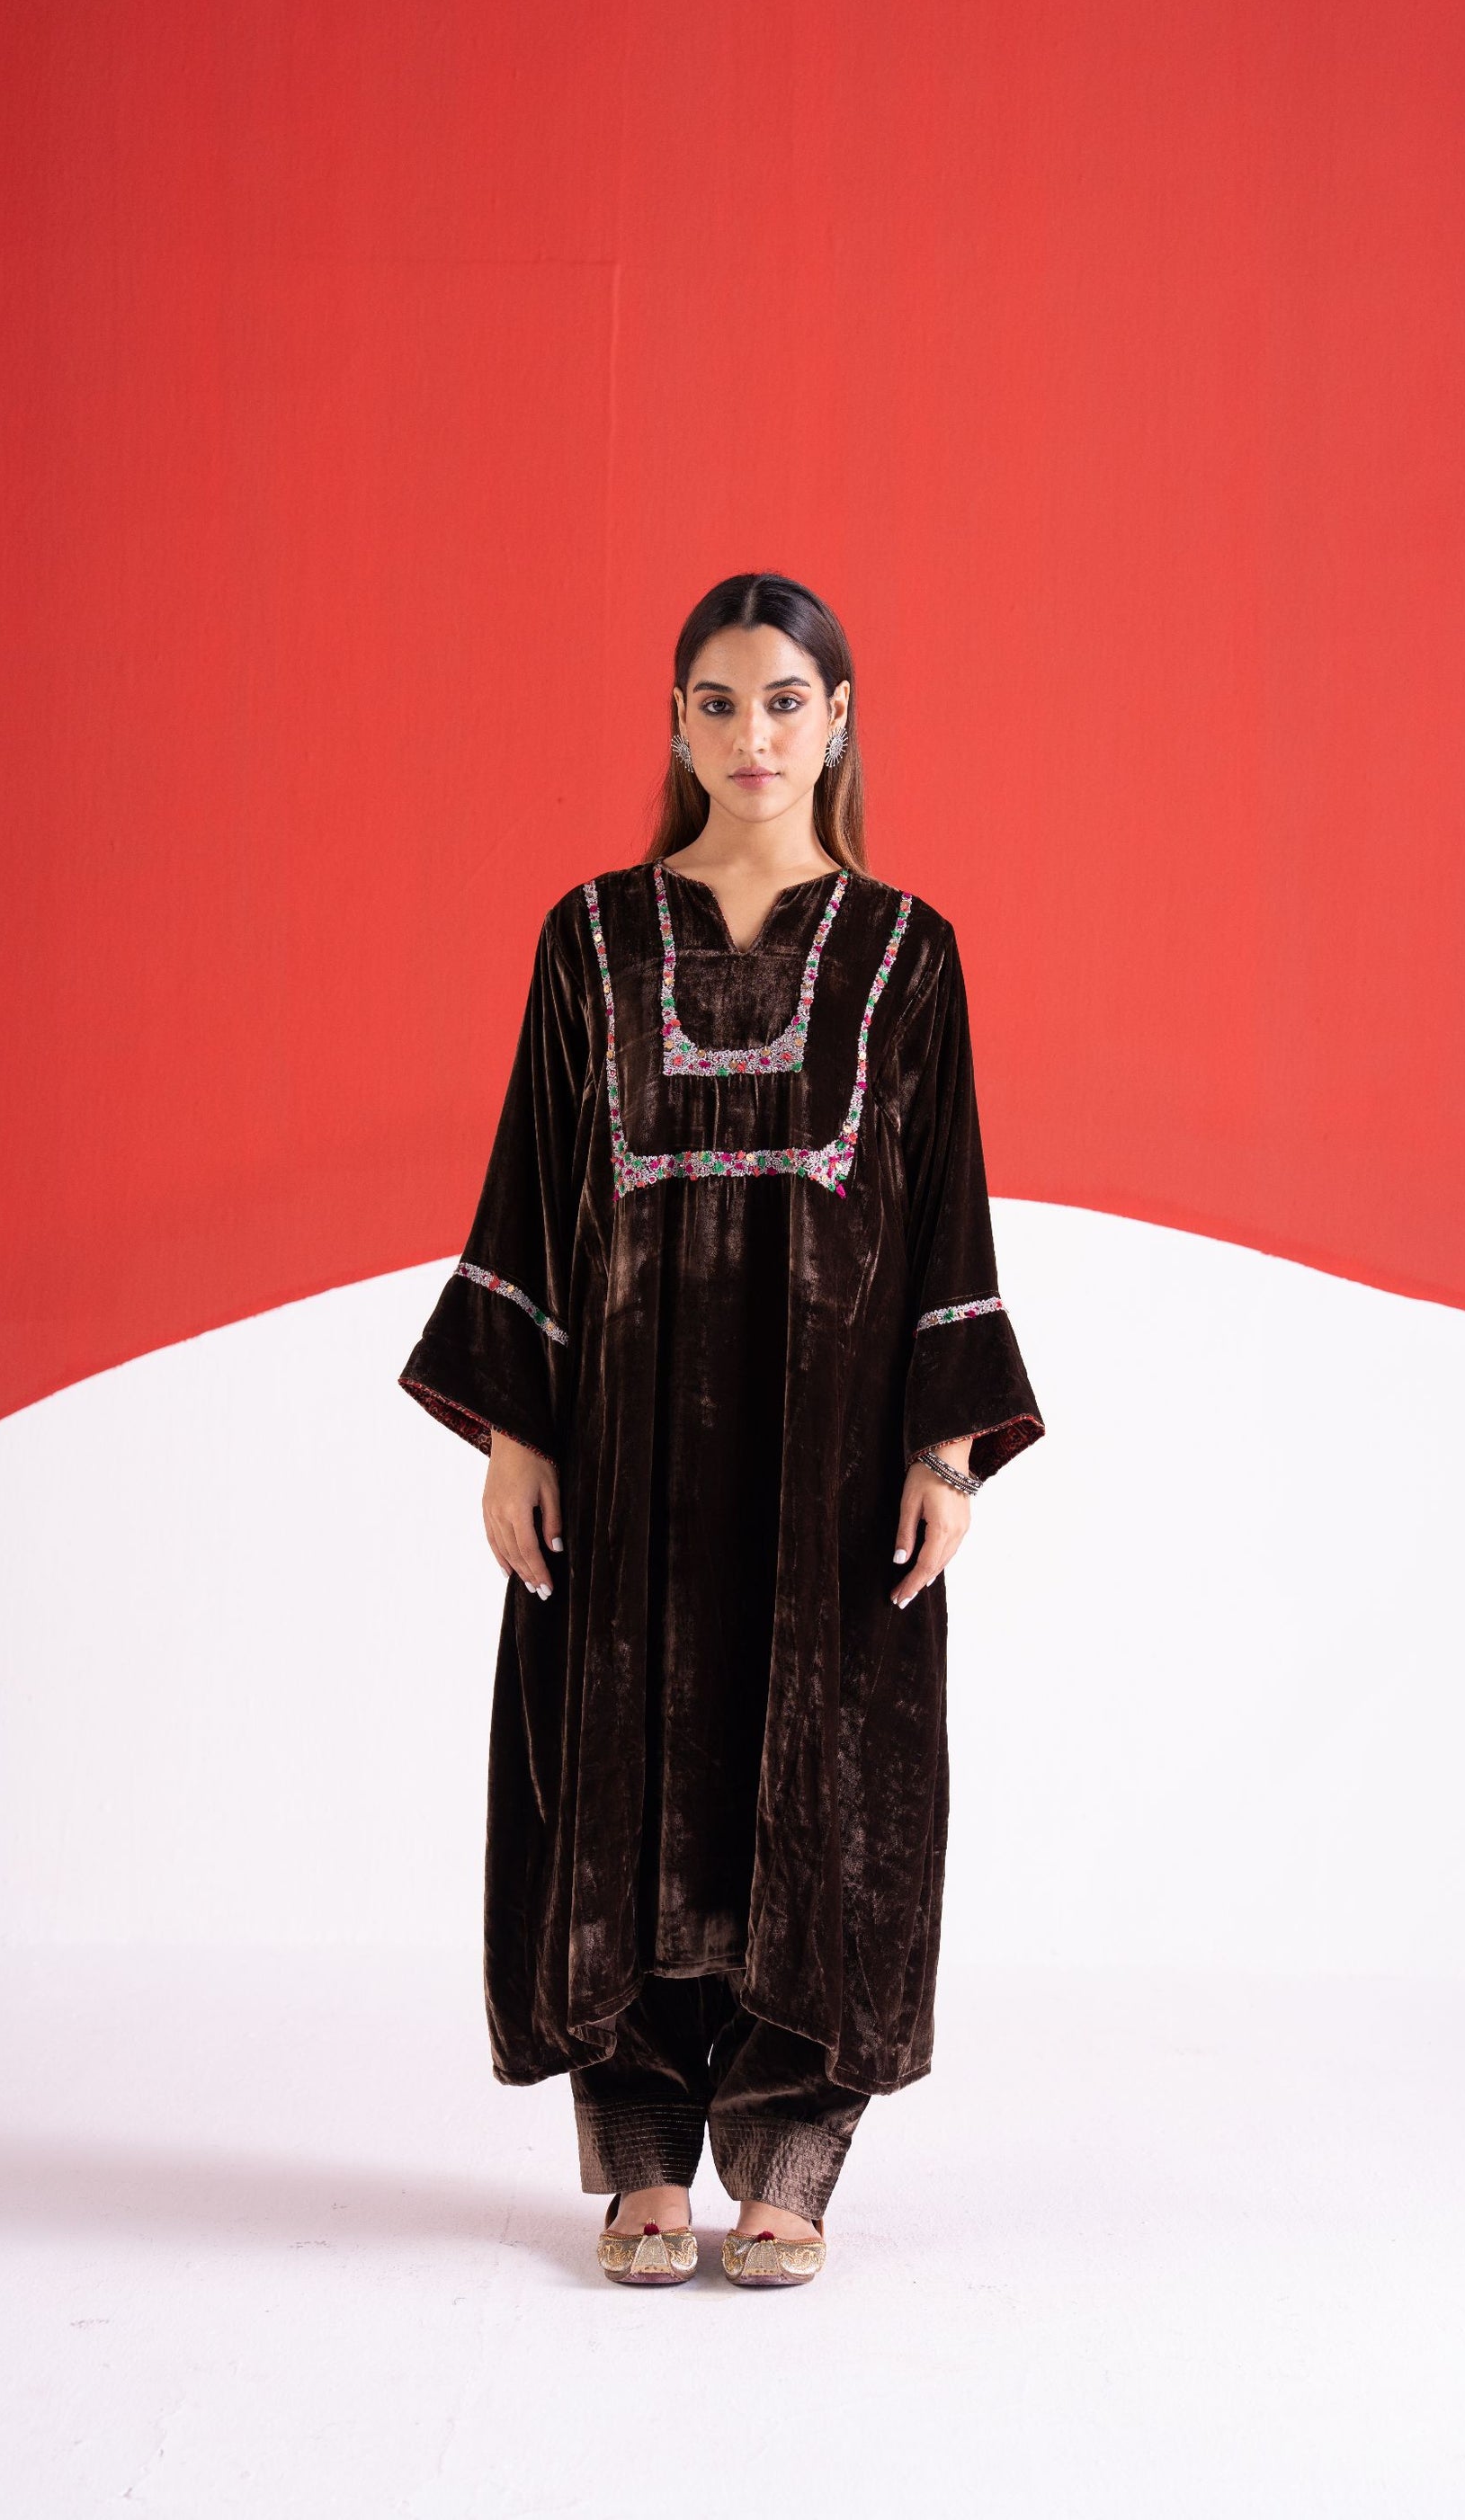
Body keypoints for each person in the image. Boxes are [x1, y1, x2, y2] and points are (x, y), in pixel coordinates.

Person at [399, 571, 1043, 2290]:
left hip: (831, 1456)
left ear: (836, 721)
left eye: (781, 700)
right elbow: (533, 1187)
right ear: (674, 722)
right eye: (715, 701)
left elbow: (944, 1209)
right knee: (620, 1765)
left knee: (826, 1774)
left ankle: (788, 2159)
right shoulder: (591, 937)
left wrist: (944, 1451)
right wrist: (514, 1434)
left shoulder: (904, 951)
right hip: (623, 1448)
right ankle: (640, 2163)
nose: (750, 734)